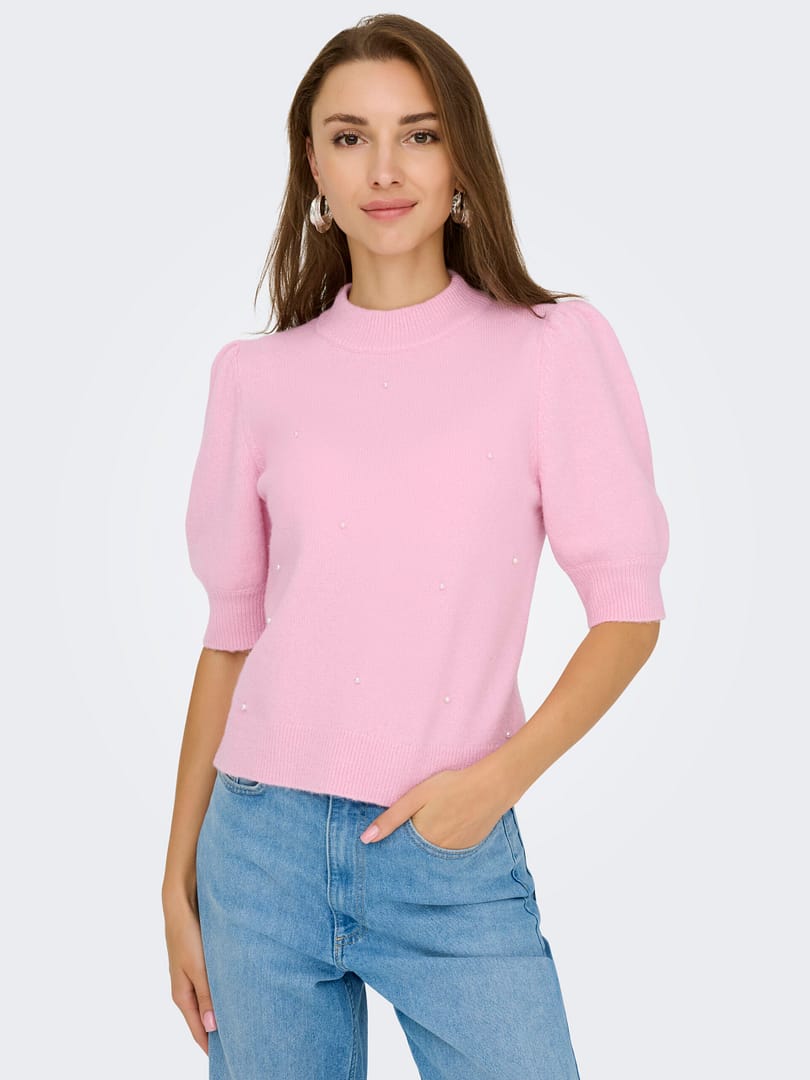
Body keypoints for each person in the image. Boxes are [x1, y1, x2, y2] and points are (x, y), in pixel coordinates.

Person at [162, 13, 669, 1080]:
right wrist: (176, 880)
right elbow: (231, 636)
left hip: (451, 852)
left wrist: (494, 783)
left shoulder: (550, 349)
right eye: (350, 137)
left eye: (419, 135)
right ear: (313, 165)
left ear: (460, 158)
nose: (384, 169)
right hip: (257, 851)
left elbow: (627, 611)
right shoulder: (256, 379)